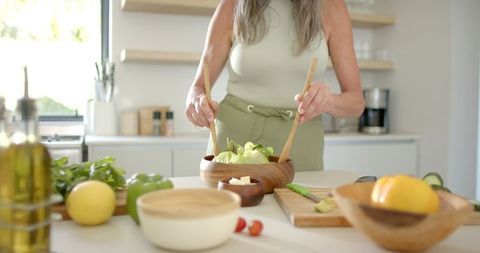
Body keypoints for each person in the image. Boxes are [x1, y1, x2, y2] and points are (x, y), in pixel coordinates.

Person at [185, 0, 365, 171]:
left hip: (300, 142)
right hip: (233, 138)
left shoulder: (332, 6)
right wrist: (195, 101)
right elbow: (198, 87)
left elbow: (356, 103)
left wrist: (329, 102)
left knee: (299, 203)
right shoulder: (232, 4)